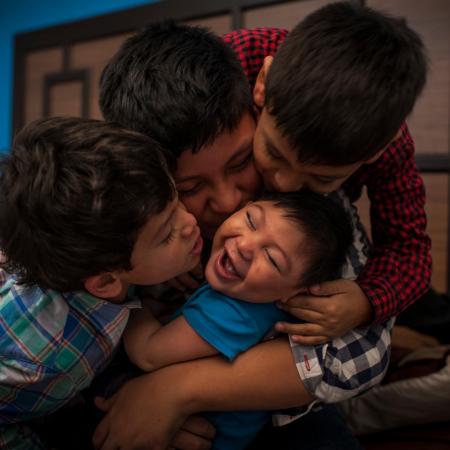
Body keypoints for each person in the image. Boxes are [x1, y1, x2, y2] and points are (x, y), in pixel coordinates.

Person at [94, 3, 431, 449]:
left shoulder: (308, 214)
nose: (285, 182)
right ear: (262, 90)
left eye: (240, 162)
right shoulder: (197, 89)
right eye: (189, 186)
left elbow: (363, 351)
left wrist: (175, 390)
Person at [123, 190, 393, 450]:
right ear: (245, 205)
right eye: (252, 220)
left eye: (272, 259)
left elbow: (147, 353)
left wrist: (130, 301)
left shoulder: (233, 312)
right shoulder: (253, 293)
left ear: (296, 292)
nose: (245, 245)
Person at [0, 117, 204, 450]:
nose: (190, 222)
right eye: (167, 234)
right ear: (106, 281)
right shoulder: (40, 352)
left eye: (177, 199)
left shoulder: (105, 253)